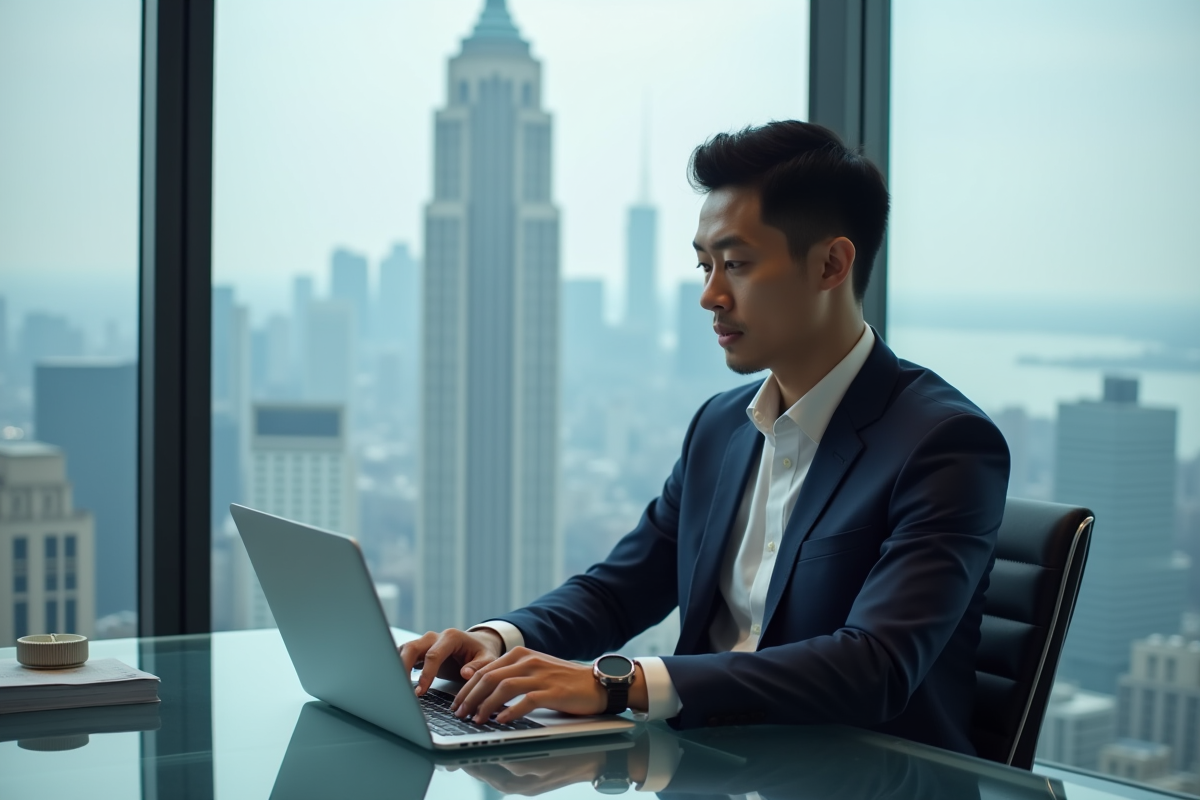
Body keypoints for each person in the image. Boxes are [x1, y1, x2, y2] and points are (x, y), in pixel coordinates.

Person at [400, 120, 1010, 756]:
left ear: (831, 264)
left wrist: (620, 686)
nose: (709, 295)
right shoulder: (720, 427)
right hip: (702, 769)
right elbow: (619, 590)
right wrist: (499, 639)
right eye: (704, 264)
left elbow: (875, 667)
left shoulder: (945, 443)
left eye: (737, 265)